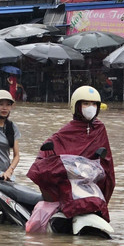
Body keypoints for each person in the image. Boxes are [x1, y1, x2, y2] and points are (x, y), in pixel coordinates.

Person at [27, 85, 115, 221]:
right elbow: (48, 150)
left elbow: (107, 161)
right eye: (86, 103)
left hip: (88, 181)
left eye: (93, 104)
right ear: (77, 106)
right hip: (71, 181)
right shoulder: (66, 131)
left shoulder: (99, 129)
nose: (90, 107)